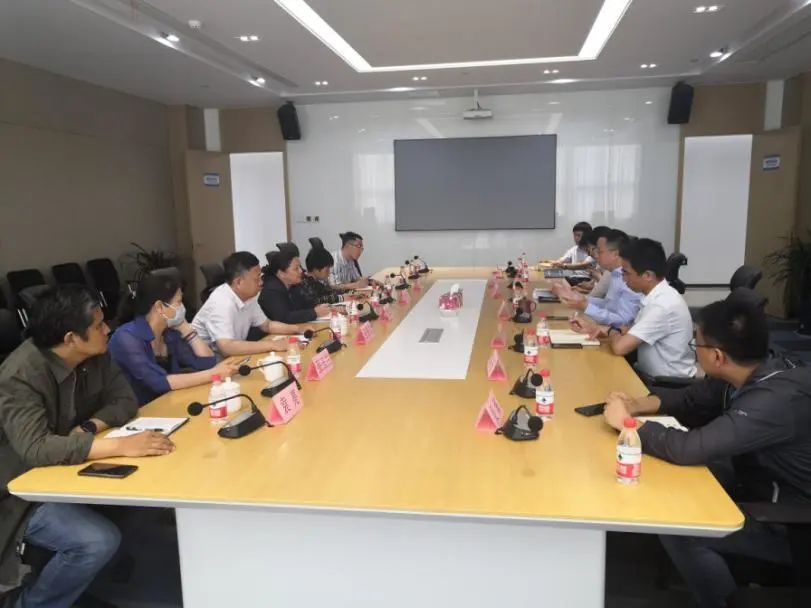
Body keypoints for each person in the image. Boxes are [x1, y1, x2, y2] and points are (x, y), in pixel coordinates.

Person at [601, 298, 811, 607]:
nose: (693, 350)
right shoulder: (751, 368)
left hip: (791, 525)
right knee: (677, 484)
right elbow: (692, 398)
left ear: (716, 356)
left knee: (683, 528)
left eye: (695, 344)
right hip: (757, 481)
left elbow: (690, 448)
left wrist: (627, 424)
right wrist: (637, 405)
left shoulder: (774, 401)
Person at [0, 286, 175, 608]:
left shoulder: (96, 353)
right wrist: (119, 446)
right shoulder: (20, 375)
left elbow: (125, 401)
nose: (107, 329)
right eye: (98, 325)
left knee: (151, 489)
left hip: (71, 468)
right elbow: (35, 449)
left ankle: (98, 575)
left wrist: (90, 428)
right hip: (21, 492)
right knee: (95, 541)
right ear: (71, 339)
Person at [573, 237, 696, 380]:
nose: (623, 279)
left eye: (626, 273)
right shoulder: (655, 295)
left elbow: (620, 348)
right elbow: (630, 330)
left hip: (667, 384)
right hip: (650, 375)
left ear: (647, 275)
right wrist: (599, 329)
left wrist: (611, 331)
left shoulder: (662, 305)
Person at [109, 274, 237, 405]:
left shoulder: (169, 333)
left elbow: (207, 363)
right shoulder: (126, 337)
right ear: (159, 307)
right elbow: (159, 382)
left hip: (167, 403)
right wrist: (213, 374)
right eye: (179, 302)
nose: (183, 308)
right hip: (138, 411)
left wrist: (185, 328)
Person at [192, 252, 306, 357]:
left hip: (231, 355)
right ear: (239, 282)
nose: (261, 282)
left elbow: (267, 325)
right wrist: (274, 345)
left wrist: (298, 329)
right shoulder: (221, 302)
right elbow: (226, 347)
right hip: (207, 362)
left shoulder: (248, 297)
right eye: (257, 279)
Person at [553, 229, 641, 327]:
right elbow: (608, 304)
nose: (595, 256)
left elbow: (624, 321)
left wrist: (585, 306)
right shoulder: (615, 274)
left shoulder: (630, 278)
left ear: (615, 254)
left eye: (600, 251)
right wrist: (582, 299)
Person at [258, 249, 331, 324]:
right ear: (281, 273)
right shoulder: (271, 291)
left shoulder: (293, 284)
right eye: (296, 269)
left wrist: (321, 307)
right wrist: (314, 312)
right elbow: (284, 318)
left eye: (300, 267)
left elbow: (306, 304)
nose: (301, 271)